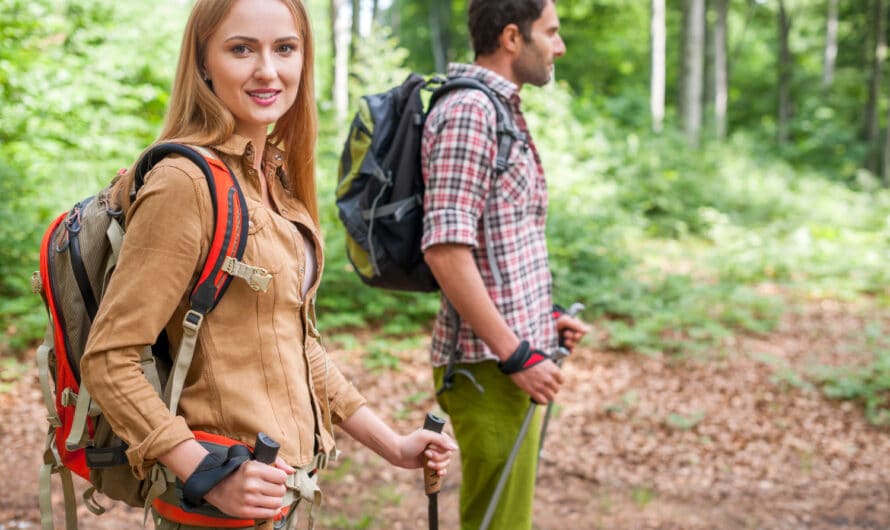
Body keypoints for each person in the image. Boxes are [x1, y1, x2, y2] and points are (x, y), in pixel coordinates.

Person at [80, 0, 456, 528]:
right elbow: (109, 359)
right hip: (216, 508)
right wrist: (205, 472)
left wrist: (391, 443)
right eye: (241, 49)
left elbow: (296, 344)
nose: (268, 70)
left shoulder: (271, 181)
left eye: (285, 48)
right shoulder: (184, 184)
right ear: (204, 63)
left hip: (285, 498)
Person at [420, 1, 589, 528]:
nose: (559, 46)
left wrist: (544, 317)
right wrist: (516, 352)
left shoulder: (498, 111)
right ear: (513, 37)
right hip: (489, 367)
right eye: (552, 32)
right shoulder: (469, 112)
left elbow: (500, 243)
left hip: (509, 362)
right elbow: (445, 249)